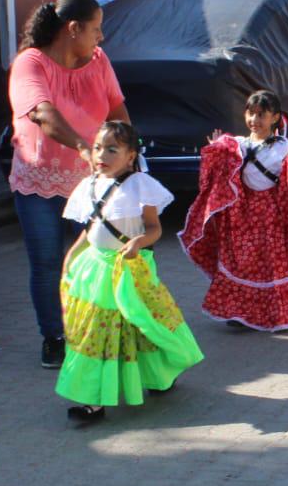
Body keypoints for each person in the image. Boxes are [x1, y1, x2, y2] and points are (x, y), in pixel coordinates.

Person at [7, 0, 128, 368]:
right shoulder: (30, 63)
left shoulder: (99, 60)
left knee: (100, 257)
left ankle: (97, 332)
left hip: (92, 182)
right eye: (96, 29)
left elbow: (116, 108)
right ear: (73, 29)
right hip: (39, 181)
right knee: (47, 262)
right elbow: (43, 114)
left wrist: (128, 153)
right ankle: (54, 338)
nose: (101, 37)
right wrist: (82, 147)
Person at [56, 121, 203, 426]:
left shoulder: (141, 185)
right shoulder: (89, 185)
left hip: (131, 271)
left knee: (142, 325)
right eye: (98, 147)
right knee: (96, 332)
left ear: (131, 155)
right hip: (97, 272)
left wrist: (138, 242)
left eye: (112, 149)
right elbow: (91, 228)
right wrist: (73, 254)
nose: (102, 155)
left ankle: (159, 375)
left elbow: (154, 228)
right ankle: (92, 400)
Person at [178, 90, 288, 329]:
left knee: (272, 263)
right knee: (240, 262)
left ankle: (280, 312)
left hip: (270, 216)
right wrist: (217, 149)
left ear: (275, 117)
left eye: (261, 115)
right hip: (242, 215)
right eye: (250, 114)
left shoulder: (282, 147)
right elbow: (223, 170)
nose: (254, 120)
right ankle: (239, 313)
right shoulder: (240, 144)